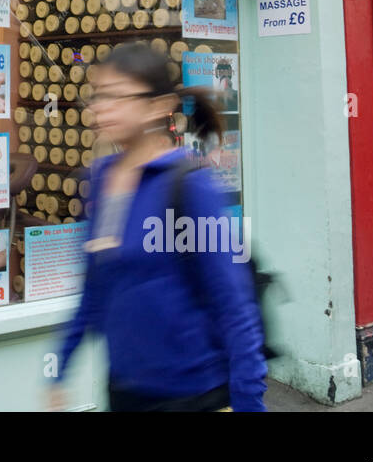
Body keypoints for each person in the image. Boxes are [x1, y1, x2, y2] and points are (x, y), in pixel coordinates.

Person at [47, 42, 266, 412]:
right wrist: (57, 370)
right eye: (99, 96)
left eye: (118, 96)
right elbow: (92, 292)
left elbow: (234, 304)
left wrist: (249, 403)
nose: (103, 107)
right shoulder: (99, 180)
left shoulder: (188, 185)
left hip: (193, 396)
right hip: (124, 393)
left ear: (156, 106)